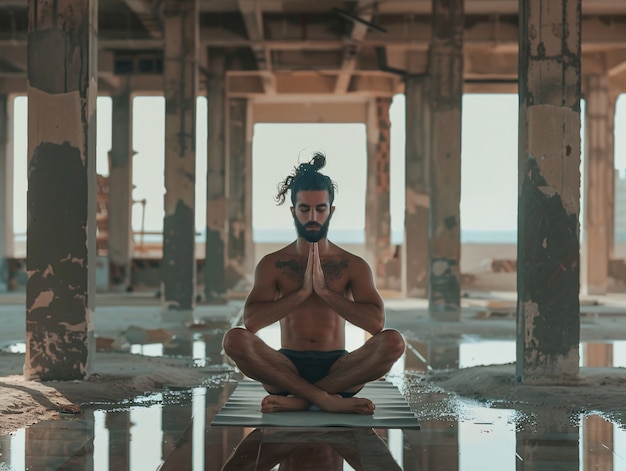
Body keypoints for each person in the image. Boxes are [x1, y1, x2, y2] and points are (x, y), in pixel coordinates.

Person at [222, 152, 405, 415]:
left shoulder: (353, 265)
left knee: (394, 342)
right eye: (304, 209)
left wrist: (326, 292)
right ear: (293, 211)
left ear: (330, 211)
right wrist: (301, 293)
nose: (312, 217)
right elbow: (251, 322)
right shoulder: (273, 264)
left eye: (320, 209)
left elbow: (376, 324)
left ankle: (302, 400)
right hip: (284, 367)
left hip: (340, 369)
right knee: (234, 339)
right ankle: (327, 399)